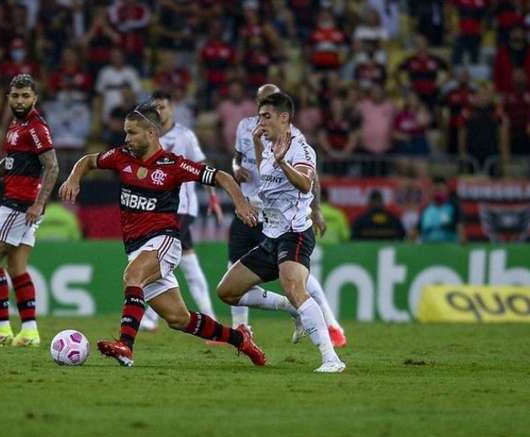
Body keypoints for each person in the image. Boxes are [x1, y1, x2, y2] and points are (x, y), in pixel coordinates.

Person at [58, 103, 265, 368]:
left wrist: (241, 203)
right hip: (136, 247)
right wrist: (74, 178)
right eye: (126, 133)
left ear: (152, 133)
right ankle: (241, 339)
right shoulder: (121, 157)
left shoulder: (173, 165)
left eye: (132, 133)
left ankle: (125, 346)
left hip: (164, 240)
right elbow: (88, 160)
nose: (127, 139)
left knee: (133, 275)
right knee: (179, 319)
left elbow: (221, 176)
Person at [216, 92, 346, 373]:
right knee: (227, 291)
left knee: (295, 287)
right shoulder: (267, 144)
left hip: (295, 233)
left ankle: (331, 359)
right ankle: (290, 308)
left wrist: (283, 162)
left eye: (266, 116)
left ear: (284, 117)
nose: (260, 121)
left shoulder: (301, 149)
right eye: (259, 116)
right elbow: (266, 172)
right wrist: (255, 144)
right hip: (271, 235)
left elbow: (304, 185)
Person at [0, 74, 60, 348]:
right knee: (17, 267)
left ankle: (0, 328)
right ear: (8, 97)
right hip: (23, 204)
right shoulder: (16, 125)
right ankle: (30, 331)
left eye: (25, 96)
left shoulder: (35, 127)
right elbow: (12, 160)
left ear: (35, 98)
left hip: (19, 205)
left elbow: (52, 166)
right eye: (15, 96)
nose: (20, 101)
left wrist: (38, 203)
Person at [139, 90, 220, 332]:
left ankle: (151, 318)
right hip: (160, 209)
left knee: (161, 258)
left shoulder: (185, 136)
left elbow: (202, 166)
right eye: (155, 107)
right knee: (188, 262)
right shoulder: (148, 137)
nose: (159, 111)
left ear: (171, 108)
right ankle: (210, 317)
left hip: (183, 207)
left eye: (162, 107)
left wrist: (213, 197)